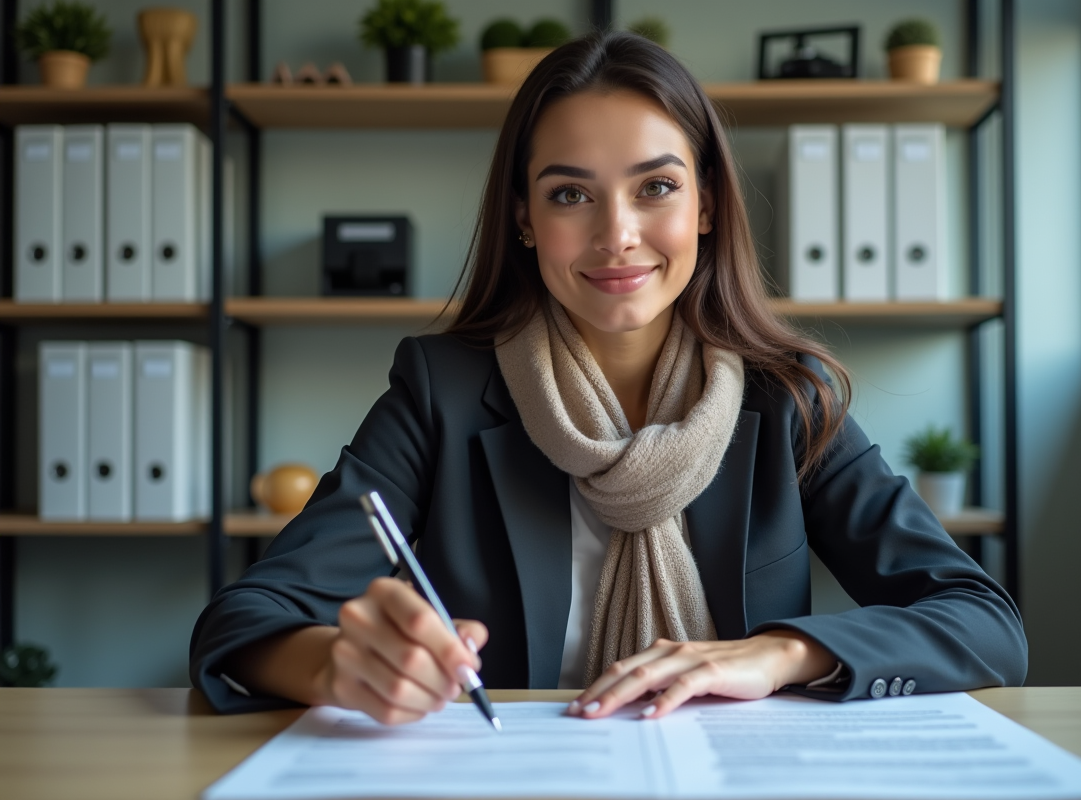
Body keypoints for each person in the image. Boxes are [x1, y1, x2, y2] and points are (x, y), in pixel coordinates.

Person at [190, 32, 1026, 724]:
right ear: (524, 218)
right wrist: (338, 662)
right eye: (569, 195)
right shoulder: (439, 392)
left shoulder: (789, 398)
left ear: (705, 205)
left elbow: (984, 622)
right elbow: (244, 620)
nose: (617, 235)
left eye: (656, 187)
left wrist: (778, 653)